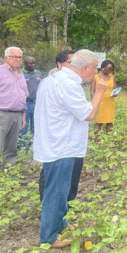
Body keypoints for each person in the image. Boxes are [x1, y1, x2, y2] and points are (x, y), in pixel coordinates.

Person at [34, 49, 108, 248]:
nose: (96, 72)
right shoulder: (67, 85)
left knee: (60, 189)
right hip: (62, 146)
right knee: (56, 192)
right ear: (85, 68)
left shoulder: (51, 79)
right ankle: (49, 237)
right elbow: (89, 114)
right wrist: (99, 92)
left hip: (54, 142)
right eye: (94, 68)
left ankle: (61, 223)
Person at [38, 49, 82, 203]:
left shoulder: (71, 83)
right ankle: (50, 208)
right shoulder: (54, 82)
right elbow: (85, 114)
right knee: (52, 177)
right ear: (59, 64)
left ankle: (60, 207)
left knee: (63, 177)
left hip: (65, 140)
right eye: (70, 63)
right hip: (56, 140)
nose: (74, 66)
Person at [0, 47, 27, 172]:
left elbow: (23, 94)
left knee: (11, 147)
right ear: (6, 58)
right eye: (14, 57)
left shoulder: (21, 73)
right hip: (1, 114)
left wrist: (23, 116)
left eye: (19, 57)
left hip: (17, 114)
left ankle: (8, 172)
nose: (17, 59)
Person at [91, 60, 118, 136]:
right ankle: (97, 140)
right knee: (99, 122)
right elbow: (92, 91)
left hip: (110, 102)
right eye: (107, 69)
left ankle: (109, 140)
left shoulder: (112, 77)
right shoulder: (95, 77)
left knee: (109, 121)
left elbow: (114, 89)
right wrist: (93, 103)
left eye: (111, 69)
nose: (109, 71)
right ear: (102, 67)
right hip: (99, 102)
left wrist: (115, 93)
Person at [20, 56, 43, 147]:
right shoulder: (20, 73)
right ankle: (21, 148)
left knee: (36, 126)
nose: (33, 65)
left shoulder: (38, 73)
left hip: (37, 103)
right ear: (25, 64)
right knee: (23, 127)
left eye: (34, 63)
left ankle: (33, 147)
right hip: (25, 104)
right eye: (31, 63)